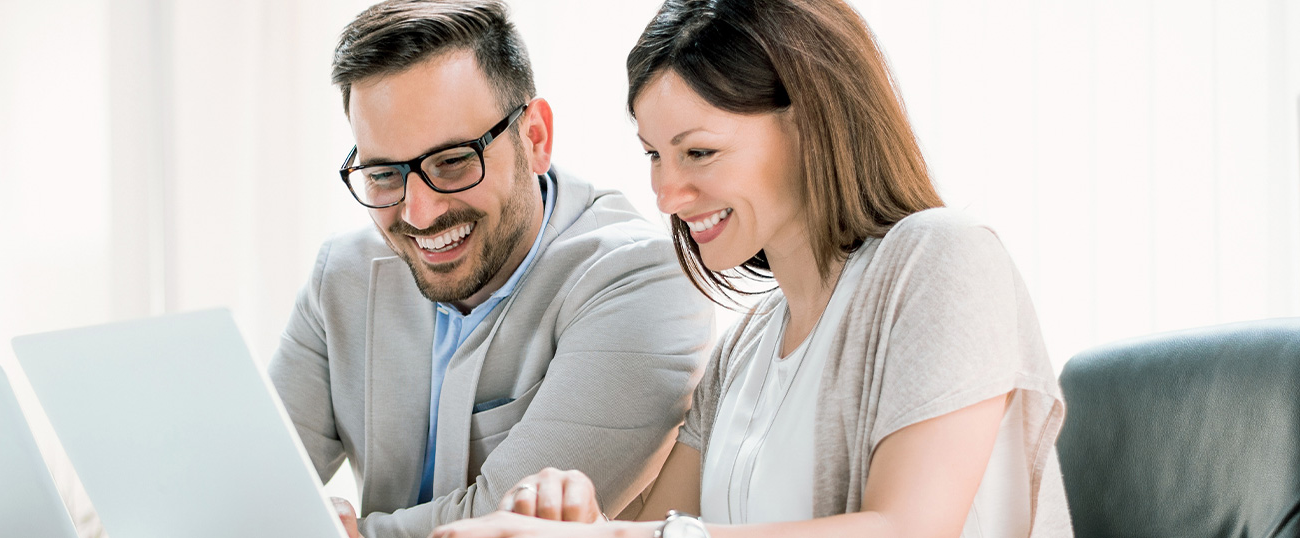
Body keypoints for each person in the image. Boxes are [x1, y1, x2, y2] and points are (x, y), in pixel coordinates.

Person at [431, 0, 1072, 537]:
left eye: (699, 152)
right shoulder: (746, 348)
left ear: (813, 124)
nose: (667, 194)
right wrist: (576, 520)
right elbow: (662, 526)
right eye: (654, 155)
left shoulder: (942, 257)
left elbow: (907, 528)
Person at [267, 1, 717, 537]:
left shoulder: (646, 281)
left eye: (453, 161)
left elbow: (503, 527)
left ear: (535, 139)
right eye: (385, 174)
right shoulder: (341, 273)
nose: (419, 213)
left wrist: (335, 531)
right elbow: (246, 485)